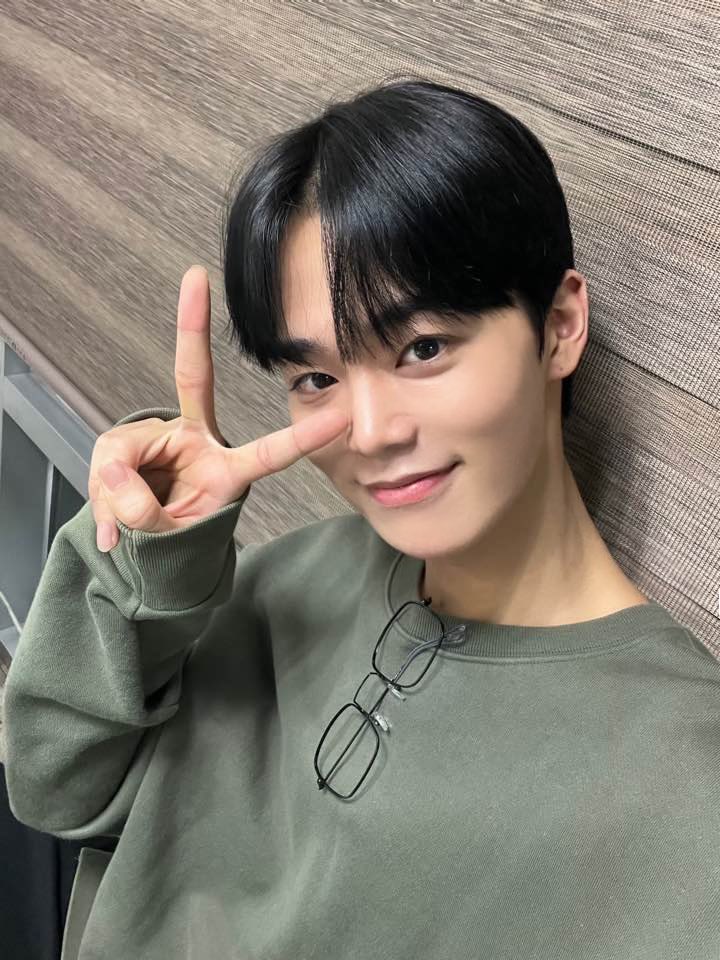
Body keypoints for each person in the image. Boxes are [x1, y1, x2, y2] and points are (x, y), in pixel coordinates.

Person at [2, 76, 718, 960]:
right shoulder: (292, 577)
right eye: (317, 379)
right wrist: (150, 567)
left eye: (423, 348)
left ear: (561, 325)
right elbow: (55, 788)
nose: (372, 433)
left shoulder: (685, 786)